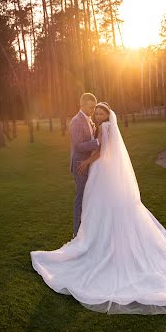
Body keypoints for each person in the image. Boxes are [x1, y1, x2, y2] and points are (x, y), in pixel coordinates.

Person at [30, 103, 166, 315]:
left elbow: (100, 152)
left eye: (100, 113)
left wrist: (87, 162)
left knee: (99, 207)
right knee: (104, 207)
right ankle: (100, 237)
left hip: (100, 170)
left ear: (107, 116)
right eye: (96, 114)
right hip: (106, 172)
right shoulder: (108, 127)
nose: (98, 117)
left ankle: (98, 240)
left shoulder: (105, 128)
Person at [68, 93, 99, 237]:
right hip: (80, 164)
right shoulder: (76, 121)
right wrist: (97, 143)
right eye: (91, 107)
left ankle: (87, 230)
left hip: (89, 163)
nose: (93, 110)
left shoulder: (89, 119)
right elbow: (78, 146)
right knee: (80, 198)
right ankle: (76, 233)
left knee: (89, 197)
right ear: (82, 105)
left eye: (94, 107)